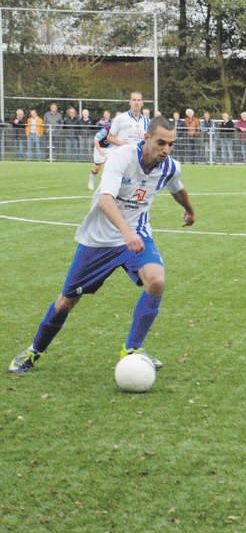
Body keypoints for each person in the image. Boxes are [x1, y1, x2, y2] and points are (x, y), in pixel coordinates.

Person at [8, 116, 196, 375]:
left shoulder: (170, 167)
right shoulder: (122, 157)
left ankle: (132, 350)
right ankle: (34, 351)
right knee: (66, 301)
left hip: (136, 235)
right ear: (147, 139)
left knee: (157, 280)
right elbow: (105, 201)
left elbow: (177, 189)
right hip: (98, 240)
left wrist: (189, 210)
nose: (166, 149)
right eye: (161, 143)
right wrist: (126, 232)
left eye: (171, 144)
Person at [89, 117, 114, 190]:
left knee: (110, 165)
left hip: (110, 149)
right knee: (97, 167)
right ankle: (91, 181)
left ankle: (105, 183)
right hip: (99, 147)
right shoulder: (105, 130)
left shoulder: (120, 130)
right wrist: (100, 150)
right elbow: (96, 140)